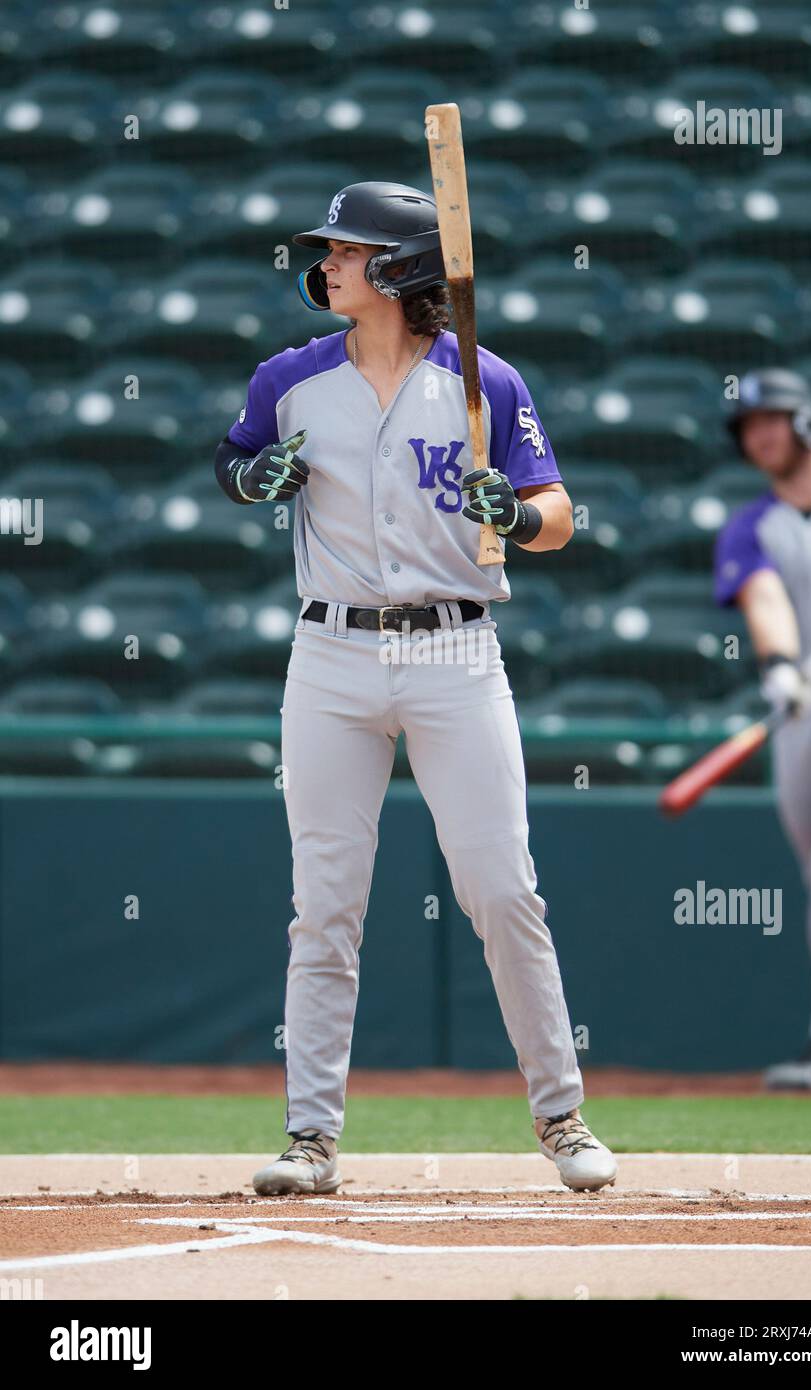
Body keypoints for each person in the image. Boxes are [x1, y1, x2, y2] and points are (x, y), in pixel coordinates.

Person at [213, 181, 618, 1192]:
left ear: (397, 267)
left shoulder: (484, 381)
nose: (328, 263)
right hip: (332, 654)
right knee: (325, 903)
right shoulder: (290, 379)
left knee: (500, 888)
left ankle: (560, 1116)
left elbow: (557, 509)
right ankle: (310, 1138)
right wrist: (252, 482)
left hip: (454, 650)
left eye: (348, 249)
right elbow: (231, 460)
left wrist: (517, 519)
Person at [714, 367, 811, 1091]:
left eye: (772, 419)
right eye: (750, 426)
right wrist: (779, 664)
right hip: (801, 713)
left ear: (805, 420)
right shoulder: (751, 525)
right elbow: (762, 594)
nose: (761, 435)